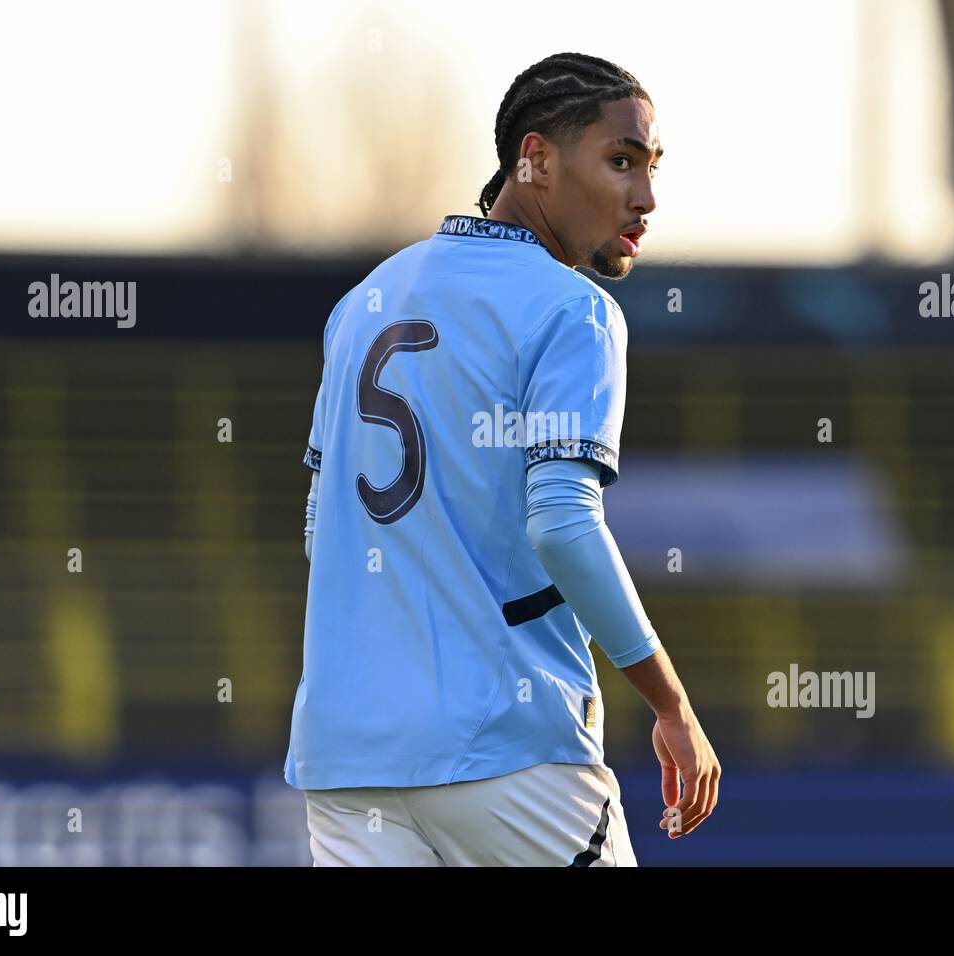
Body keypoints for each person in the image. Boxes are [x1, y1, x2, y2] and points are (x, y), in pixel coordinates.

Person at [286, 52, 719, 866]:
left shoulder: (361, 303)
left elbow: (320, 527)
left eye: (652, 167)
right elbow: (561, 521)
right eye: (621, 160)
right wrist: (671, 704)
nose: (646, 196)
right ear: (535, 160)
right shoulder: (572, 310)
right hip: (505, 751)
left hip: (345, 758)